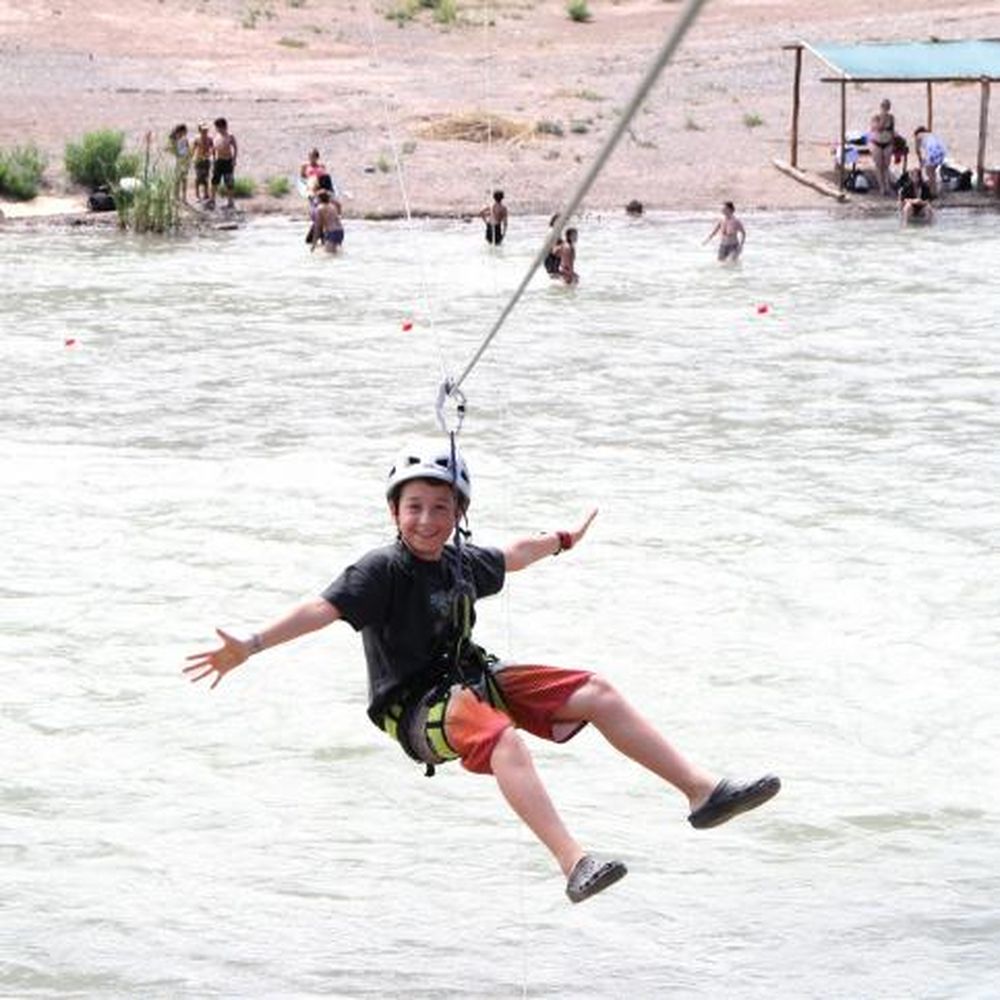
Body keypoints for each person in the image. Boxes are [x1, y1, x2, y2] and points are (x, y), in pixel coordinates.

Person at [184, 446, 781, 904]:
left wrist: (565, 538)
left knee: (595, 691)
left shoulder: (460, 560)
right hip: (416, 710)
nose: (425, 520)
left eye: (440, 508)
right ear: (393, 512)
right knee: (504, 739)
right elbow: (323, 608)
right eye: (413, 507)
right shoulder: (380, 569)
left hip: (473, 677)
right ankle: (574, 864)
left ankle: (703, 793)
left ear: (458, 514)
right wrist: (253, 644)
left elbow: (514, 555)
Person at [208, 117, 238, 210]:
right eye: (217, 127)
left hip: (228, 161)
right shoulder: (216, 136)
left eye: (218, 127)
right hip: (218, 161)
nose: (217, 129)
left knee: (229, 182)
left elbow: (235, 148)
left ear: (224, 126)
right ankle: (212, 200)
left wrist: (234, 159)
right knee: (214, 181)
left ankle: (230, 202)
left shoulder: (230, 136)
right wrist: (213, 158)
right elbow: (213, 148)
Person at [868, 99, 896, 196]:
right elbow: (878, 128)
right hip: (877, 143)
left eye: (887, 106)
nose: (886, 108)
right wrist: (883, 118)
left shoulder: (891, 118)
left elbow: (892, 131)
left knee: (886, 166)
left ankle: (887, 186)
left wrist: (894, 143)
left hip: (887, 143)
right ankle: (882, 187)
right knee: (879, 165)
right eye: (884, 106)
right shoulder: (875, 117)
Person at [913, 126, 947, 198]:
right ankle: (934, 191)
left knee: (929, 173)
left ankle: (932, 192)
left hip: (933, 150)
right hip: (942, 150)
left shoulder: (919, 136)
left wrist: (920, 160)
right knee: (932, 173)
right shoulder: (930, 135)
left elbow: (917, 150)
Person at [167, 123, 191, 203]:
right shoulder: (174, 140)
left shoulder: (184, 139)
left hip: (185, 161)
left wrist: (189, 157)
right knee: (177, 180)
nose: (185, 133)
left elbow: (188, 149)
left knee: (184, 179)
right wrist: (177, 154)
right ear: (180, 131)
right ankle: (176, 196)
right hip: (178, 161)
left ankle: (183, 197)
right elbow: (169, 149)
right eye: (185, 131)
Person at [191, 122, 213, 203]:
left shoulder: (210, 139)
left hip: (206, 160)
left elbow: (212, 148)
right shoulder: (197, 139)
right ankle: (197, 195)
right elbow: (193, 149)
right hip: (198, 160)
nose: (205, 131)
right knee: (198, 178)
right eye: (203, 130)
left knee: (206, 177)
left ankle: (206, 194)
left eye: (206, 130)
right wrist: (191, 158)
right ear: (199, 130)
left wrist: (211, 155)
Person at [544, 212, 564, 278]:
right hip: (550, 257)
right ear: (554, 221)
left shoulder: (557, 231)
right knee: (553, 276)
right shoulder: (551, 231)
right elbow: (552, 247)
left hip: (555, 257)